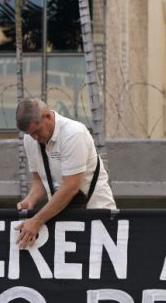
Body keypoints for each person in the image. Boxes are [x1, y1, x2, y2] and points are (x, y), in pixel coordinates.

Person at [14, 98, 115, 248]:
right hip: (59, 215)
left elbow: (71, 188)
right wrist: (31, 199)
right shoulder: (30, 139)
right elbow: (39, 180)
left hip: (96, 214)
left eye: (37, 131)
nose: (35, 138)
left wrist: (36, 221)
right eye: (30, 134)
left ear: (47, 116)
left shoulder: (73, 134)